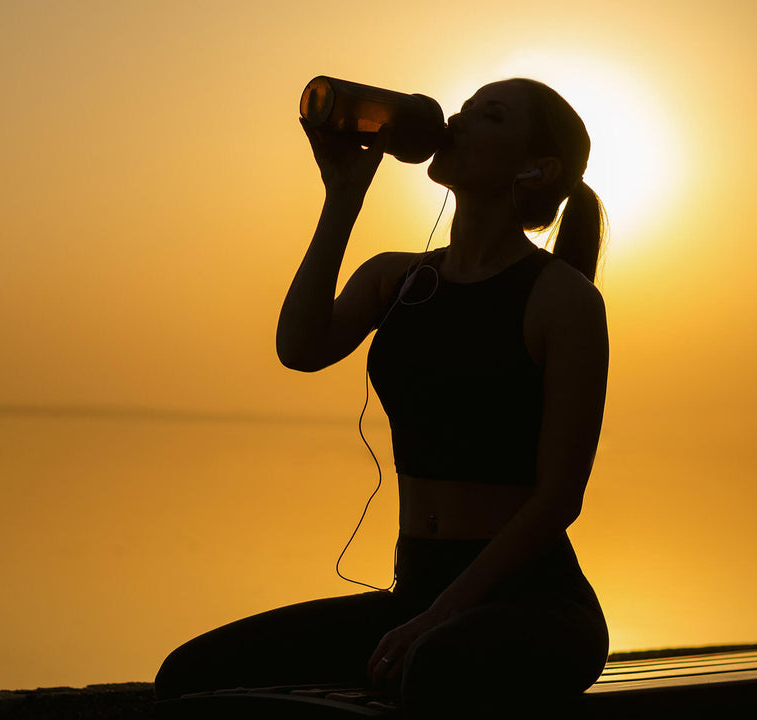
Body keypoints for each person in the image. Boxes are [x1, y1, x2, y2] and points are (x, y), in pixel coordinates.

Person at [154, 78, 610, 718]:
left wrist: (437, 617)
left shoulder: (563, 301)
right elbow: (301, 346)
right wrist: (342, 195)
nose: (457, 120)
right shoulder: (397, 278)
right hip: (416, 595)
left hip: (532, 603)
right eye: (465, 107)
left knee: (431, 672)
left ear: (537, 167)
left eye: (491, 116)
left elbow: (560, 498)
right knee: (191, 675)